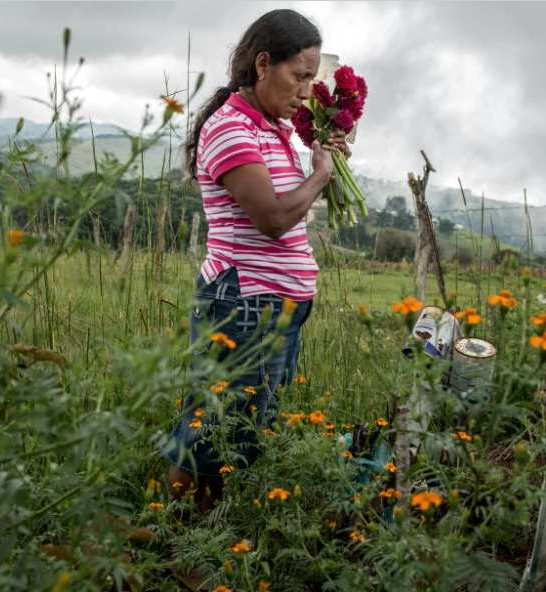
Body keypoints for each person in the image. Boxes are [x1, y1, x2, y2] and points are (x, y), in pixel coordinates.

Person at [159, 8, 351, 514]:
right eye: (300, 76)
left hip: (278, 306)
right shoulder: (230, 129)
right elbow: (271, 218)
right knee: (211, 424)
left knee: (242, 427)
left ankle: (207, 535)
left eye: (313, 77)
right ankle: (178, 539)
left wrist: (324, 158)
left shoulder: (278, 129)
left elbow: (296, 200)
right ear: (263, 64)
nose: (308, 90)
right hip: (244, 303)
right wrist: (321, 177)